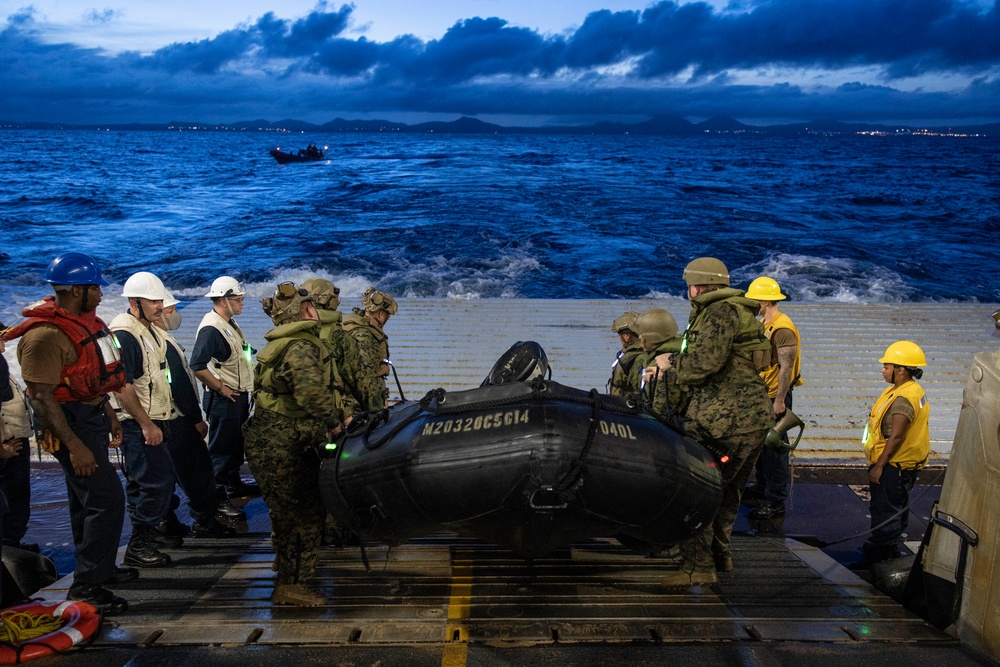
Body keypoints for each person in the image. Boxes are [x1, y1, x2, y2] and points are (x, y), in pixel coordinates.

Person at [4, 252, 134, 614]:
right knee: (106, 499)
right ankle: (88, 586)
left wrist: (107, 412)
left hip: (88, 414)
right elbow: (43, 398)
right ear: (77, 290)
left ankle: (99, 569)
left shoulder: (84, 323)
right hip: (68, 424)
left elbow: (89, 378)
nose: (101, 294)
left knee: (85, 499)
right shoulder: (45, 337)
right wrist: (75, 446)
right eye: (95, 288)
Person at [653, 257, 773, 578]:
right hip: (752, 419)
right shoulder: (736, 311)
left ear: (699, 286)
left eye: (689, 286)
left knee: (699, 492)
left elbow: (702, 364)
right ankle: (721, 560)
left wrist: (670, 364)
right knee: (726, 494)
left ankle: (697, 568)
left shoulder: (717, 313)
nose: (688, 292)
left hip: (724, 422)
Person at [243, 282, 342, 606]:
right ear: (303, 311)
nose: (314, 308)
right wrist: (337, 421)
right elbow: (311, 395)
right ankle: (293, 584)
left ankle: (285, 566)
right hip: (287, 442)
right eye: (308, 304)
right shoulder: (300, 346)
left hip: (271, 438)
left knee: (285, 513)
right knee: (306, 514)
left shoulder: (281, 343)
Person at [154, 291, 237, 538]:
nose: (174, 316)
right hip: (178, 419)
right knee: (196, 472)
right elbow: (179, 385)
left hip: (167, 417)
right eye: (170, 312)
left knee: (166, 473)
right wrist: (195, 419)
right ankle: (204, 521)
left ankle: (166, 522)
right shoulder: (163, 344)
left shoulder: (156, 340)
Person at [109, 272, 178, 568]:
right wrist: (146, 424)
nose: (160, 306)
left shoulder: (145, 328)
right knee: (155, 482)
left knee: (146, 482)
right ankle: (140, 543)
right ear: (134, 302)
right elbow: (123, 387)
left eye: (160, 300)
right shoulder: (126, 333)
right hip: (139, 423)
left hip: (152, 419)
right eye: (153, 301)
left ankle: (150, 535)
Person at [859, 340, 930, 565]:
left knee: (885, 510)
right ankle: (886, 547)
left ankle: (882, 559)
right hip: (902, 465)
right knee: (897, 507)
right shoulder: (911, 390)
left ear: (901, 370)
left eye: (886, 366)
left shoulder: (902, 400)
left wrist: (879, 466)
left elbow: (897, 436)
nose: (882, 370)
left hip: (892, 466)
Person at [190, 276, 257, 501]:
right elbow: (197, 365)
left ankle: (233, 485)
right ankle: (215, 498)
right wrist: (221, 388)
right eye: (238, 299)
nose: (242, 302)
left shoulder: (229, 323)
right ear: (223, 300)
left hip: (238, 396)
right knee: (221, 451)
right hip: (224, 400)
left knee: (236, 447)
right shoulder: (211, 328)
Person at [744, 276, 803, 520]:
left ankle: (775, 502)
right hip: (763, 394)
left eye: (754, 300)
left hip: (774, 397)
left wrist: (779, 400)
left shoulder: (782, 328)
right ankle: (761, 487)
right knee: (762, 445)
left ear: (764, 301)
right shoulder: (766, 323)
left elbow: (786, 367)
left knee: (775, 449)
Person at [302, 278, 386, 419]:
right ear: (330, 301)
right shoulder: (338, 335)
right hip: (335, 413)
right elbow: (361, 381)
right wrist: (378, 413)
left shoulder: (290, 331)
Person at [0, 337, 33, 552]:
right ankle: (9, 546)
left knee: (16, 498)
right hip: (9, 446)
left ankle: (11, 543)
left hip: (12, 441)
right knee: (13, 498)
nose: (4, 342)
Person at [343, 287, 397, 407]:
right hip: (358, 406)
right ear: (381, 314)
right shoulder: (364, 337)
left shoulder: (351, 324)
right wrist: (378, 411)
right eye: (388, 316)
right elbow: (366, 381)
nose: (387, 320)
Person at [629, 308, 685, 422]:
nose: (639, 338)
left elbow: (660, 413)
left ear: (653, 337)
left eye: (641, 335)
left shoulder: (663, 364)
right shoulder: (677, 355)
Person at [608, 311, 642, 396]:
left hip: (624, 405)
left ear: (627, 336)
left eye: (620, 334)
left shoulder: (633, 358)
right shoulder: (632, 353)